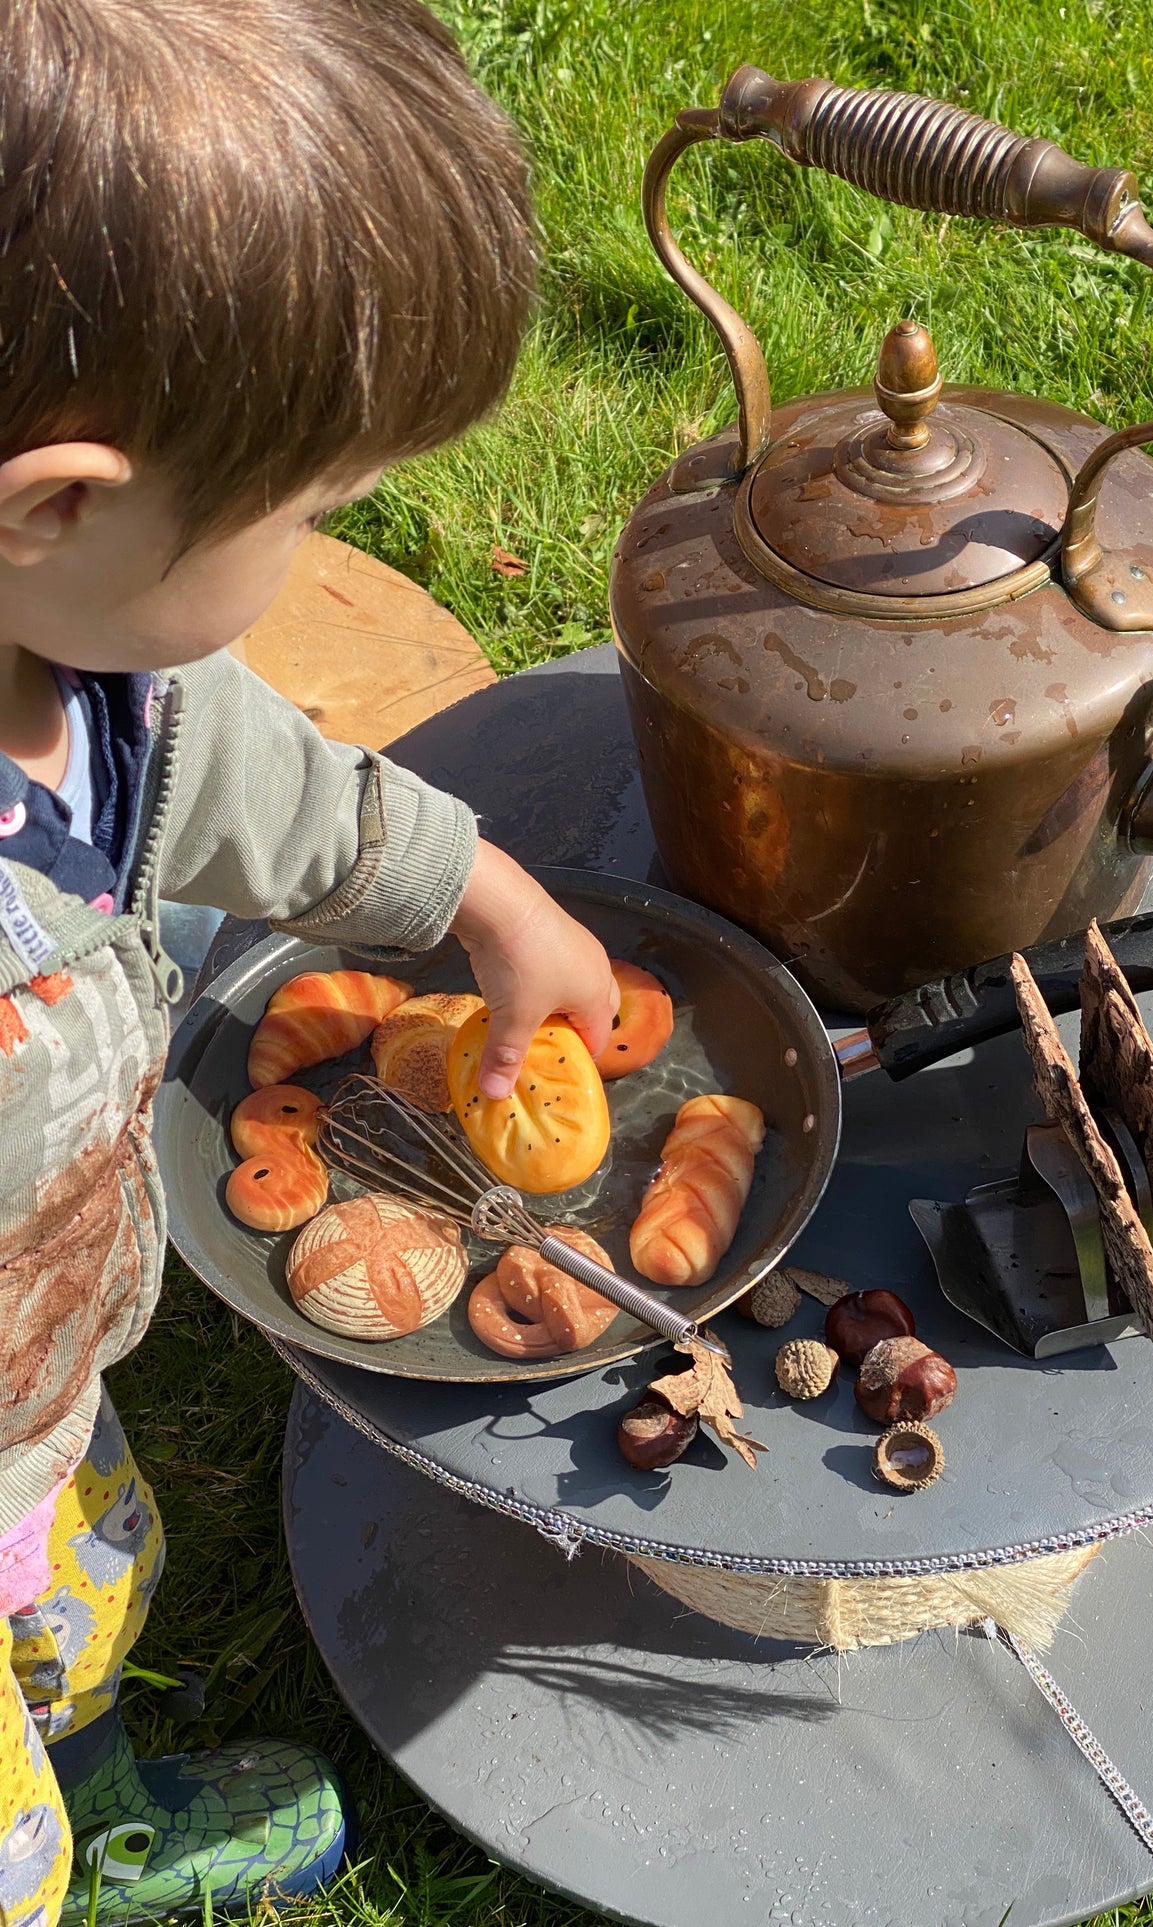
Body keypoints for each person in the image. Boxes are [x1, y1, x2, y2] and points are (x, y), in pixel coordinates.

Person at [0, 2, 618, 1920]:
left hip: (39, 1380)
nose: (317, 548)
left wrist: (482, 896)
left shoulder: (82, 661)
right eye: (309, 514)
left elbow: (230, 763)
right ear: (56, 503)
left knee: (79, 1572)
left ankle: (81, 1768)